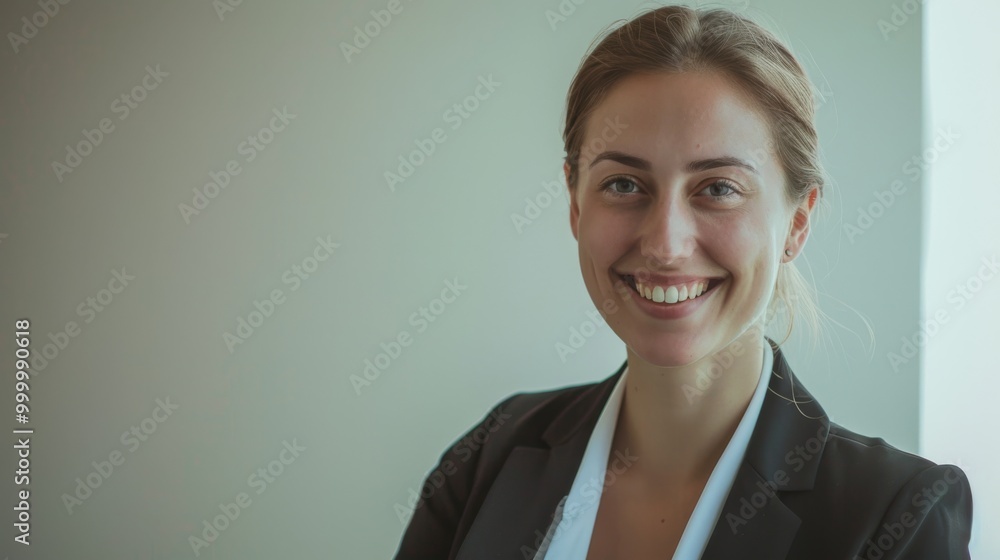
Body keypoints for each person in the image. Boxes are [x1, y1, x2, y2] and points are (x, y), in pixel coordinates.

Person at [393, 5, 973, 559]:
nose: (666, 245)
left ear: (797, 222)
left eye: (718, 188)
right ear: (574, 204)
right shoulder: (489, 457)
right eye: (623, 184)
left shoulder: (897, 517)